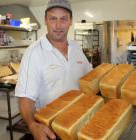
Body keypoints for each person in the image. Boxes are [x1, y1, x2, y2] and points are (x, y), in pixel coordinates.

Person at [15, 0, 92, 139]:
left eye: (63, 19)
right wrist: (32, 125)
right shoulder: (34, 53)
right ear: (45, 20)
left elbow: (90, 77)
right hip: (50, 130)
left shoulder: (76, 47)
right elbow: (25, 98)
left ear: (70, 21)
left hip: (79, 122)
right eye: (53, 19)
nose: (58, 25)